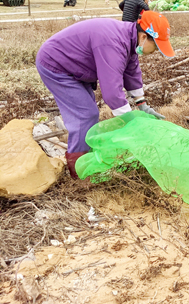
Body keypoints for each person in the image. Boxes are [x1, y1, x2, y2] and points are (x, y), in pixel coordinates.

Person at [35, 11, 173, 178]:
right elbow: (112, 91)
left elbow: (131, 71)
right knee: (85, 114)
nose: (156, 51)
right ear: (144, 36)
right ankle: (78, 172)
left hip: (77, 66)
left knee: (88, 113)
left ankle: (85, 155)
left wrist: (141, 105)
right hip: (56, 64)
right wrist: (130, 123)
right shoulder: (113, 43)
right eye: (157, 46)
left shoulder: (129, 39)